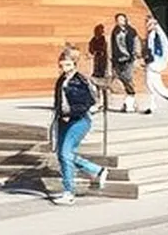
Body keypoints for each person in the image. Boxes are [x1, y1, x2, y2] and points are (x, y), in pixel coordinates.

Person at [49, 49, 108, 205]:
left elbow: (88, 103)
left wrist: (71, 113)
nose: (64, 68)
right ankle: (97, 170)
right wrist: (59, 114)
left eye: (68, 65)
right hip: (63, 120)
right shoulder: (61, 80)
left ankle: (69, 192)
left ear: (74, 64)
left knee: (64, 153)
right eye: (61, 65)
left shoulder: (80, 81)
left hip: (78, 121)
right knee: (64, 155)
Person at [142, 14, 168, 113]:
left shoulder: (158, 35)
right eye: (147, 23)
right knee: (153, 86)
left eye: (150, 23)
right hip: (151, 62)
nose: (148, 25)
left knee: (154, 86)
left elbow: (163, 46)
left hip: (156, 62)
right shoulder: (150, 35)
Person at [110, 12, 141, 113]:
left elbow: (136, 42)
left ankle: (130, 102)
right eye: (118, 20)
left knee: (128, 79)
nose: (120, 21)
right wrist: (111, 58)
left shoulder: (131, 31)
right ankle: (131, 102)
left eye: (122, 19)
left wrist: (136, 55)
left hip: (129, 59)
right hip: (118, 59)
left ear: (125, 20)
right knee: (122, 78)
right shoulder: (115, 31)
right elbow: (112, 45)